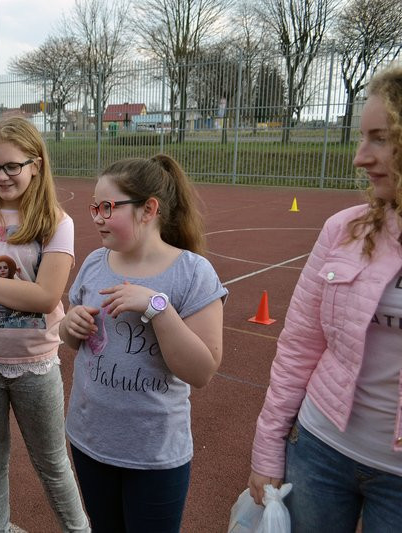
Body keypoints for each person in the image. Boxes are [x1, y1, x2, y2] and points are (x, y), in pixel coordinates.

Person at [248, 65, 402, 532]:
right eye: (361, 137)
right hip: (320, 450)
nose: (360, 157)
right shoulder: (344, 229)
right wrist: (269, 446)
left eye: (379, 137)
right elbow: (299, 345)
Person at [59, 155, 227, 532]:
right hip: (91, 441)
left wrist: (156, 307)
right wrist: (70, 326)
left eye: (108, 207)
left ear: (148, 209)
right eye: (94, 208)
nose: (97, 217)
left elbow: (202, 371)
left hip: (154, 456)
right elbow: (70, 340)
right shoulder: (94, 263)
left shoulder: (192, 273)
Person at [0, 116, 90, 532]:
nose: (1, 176)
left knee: (52, 462)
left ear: (36, 165)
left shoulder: (55, 222)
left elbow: (45, 296)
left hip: (34, 363)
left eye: (13, 166)